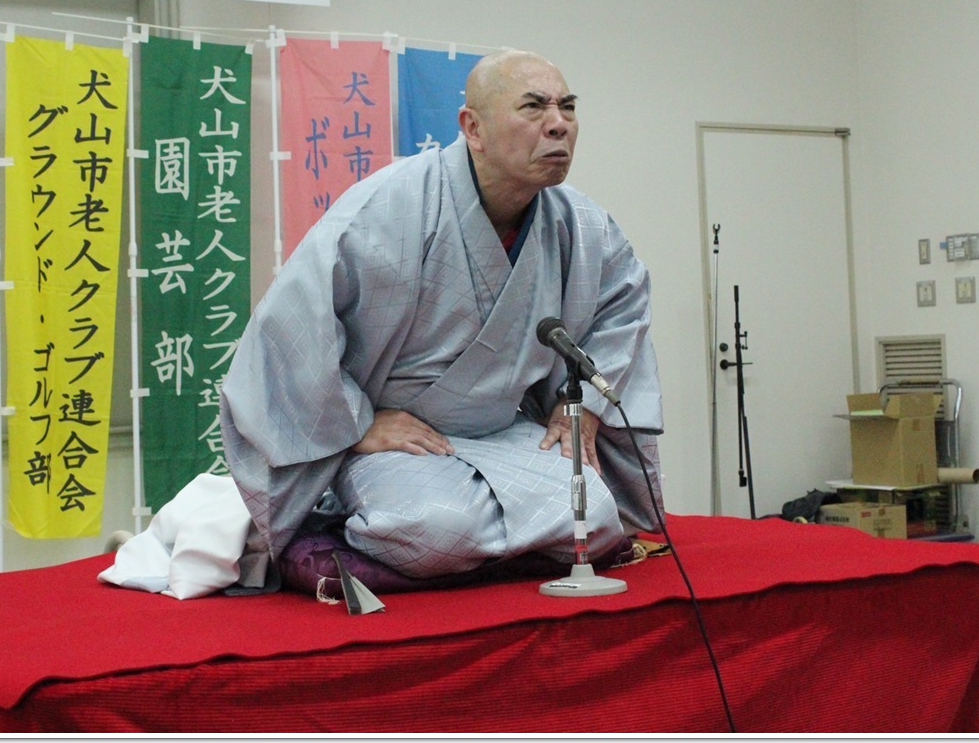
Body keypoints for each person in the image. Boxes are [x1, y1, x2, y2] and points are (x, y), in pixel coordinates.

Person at [219, 50, 664, 588]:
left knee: (594, 516)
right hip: (402, 440)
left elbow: (622, 310)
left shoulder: (581, 224)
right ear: (473, 128)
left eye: (567, 107)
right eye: (534, 107)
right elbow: (291, 330)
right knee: (433, 528)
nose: (558, 125)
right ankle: (328, 524)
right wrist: (358, 424)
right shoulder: (388, 208)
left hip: (503, 432)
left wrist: (584, 406)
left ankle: (446, 554)